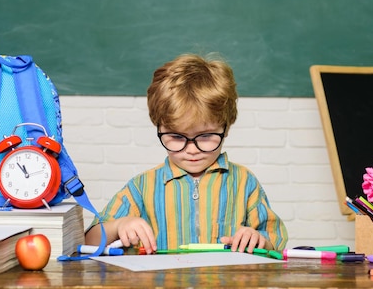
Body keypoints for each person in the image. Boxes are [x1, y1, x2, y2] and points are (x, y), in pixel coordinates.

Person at [85, 53, 288, 254]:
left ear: (226, 128)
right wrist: (119, 225)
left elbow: (275, 241)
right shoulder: (142, 187)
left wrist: (259, 240)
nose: (191, 149)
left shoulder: (244, 183)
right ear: (159, 126)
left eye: (206, 136)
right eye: (177, 136)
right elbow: (89, 241)